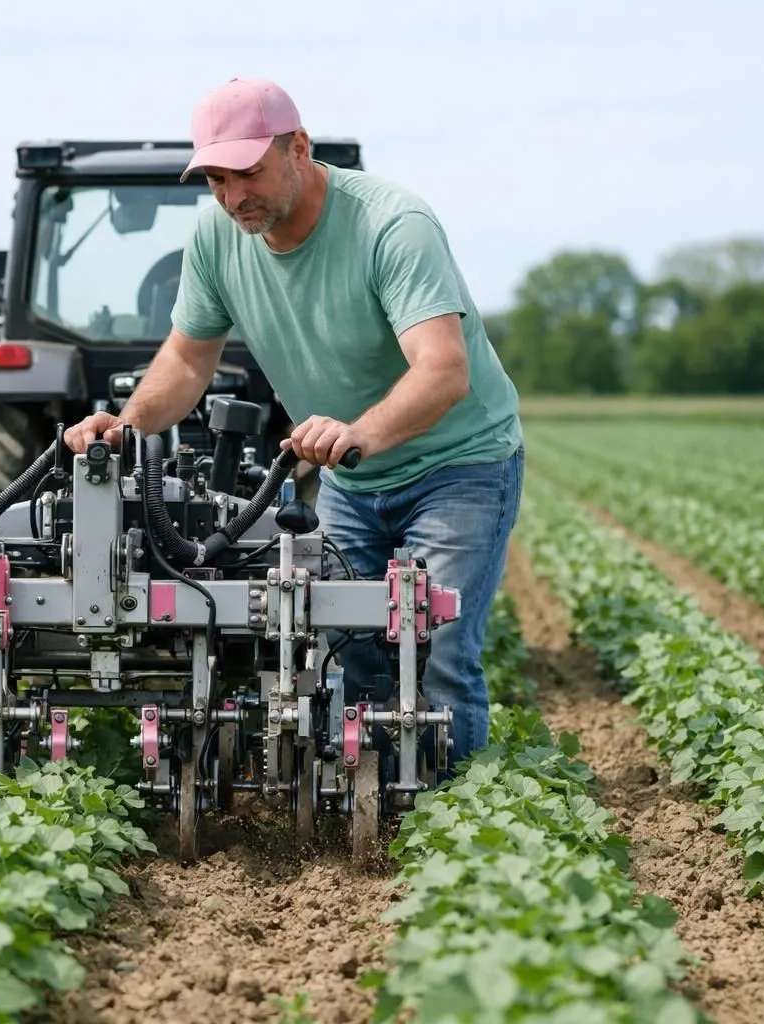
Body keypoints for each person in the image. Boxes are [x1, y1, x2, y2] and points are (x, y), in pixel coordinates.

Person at [62, 76, 524, 776]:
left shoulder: (390, 225)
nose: (231, 195)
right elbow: (188, 360)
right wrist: (127, 427)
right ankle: (376, 805)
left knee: (435, 652)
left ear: (298, 148)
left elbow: (443, 371)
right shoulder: (219, 237)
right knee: (350, 646)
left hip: (459, 467)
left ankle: (450, 820)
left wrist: (357, 433)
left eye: (246, 172)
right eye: (216, 178)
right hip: (352, 476)